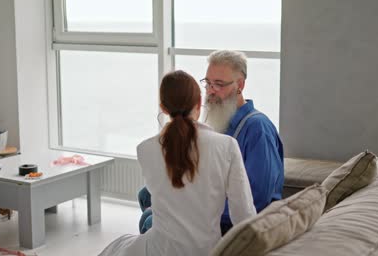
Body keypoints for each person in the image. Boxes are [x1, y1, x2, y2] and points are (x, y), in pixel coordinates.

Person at [100, 70, 256, 256]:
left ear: (163, 108)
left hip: (159, 250)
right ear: (199, 103)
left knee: (115, 247)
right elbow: (244, 215)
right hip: (207, 251)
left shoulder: (145, 149)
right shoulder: (226, 146)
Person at [138, 50, 284, 235]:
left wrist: (188, 210)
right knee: (146, 195)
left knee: (151, 221)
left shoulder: (257, 129)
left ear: (240, 85)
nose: (211, 91)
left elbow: (257, 198)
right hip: (209, 203)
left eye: (219, 84)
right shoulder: (219, 120)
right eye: (208, 83)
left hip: (232, 223)